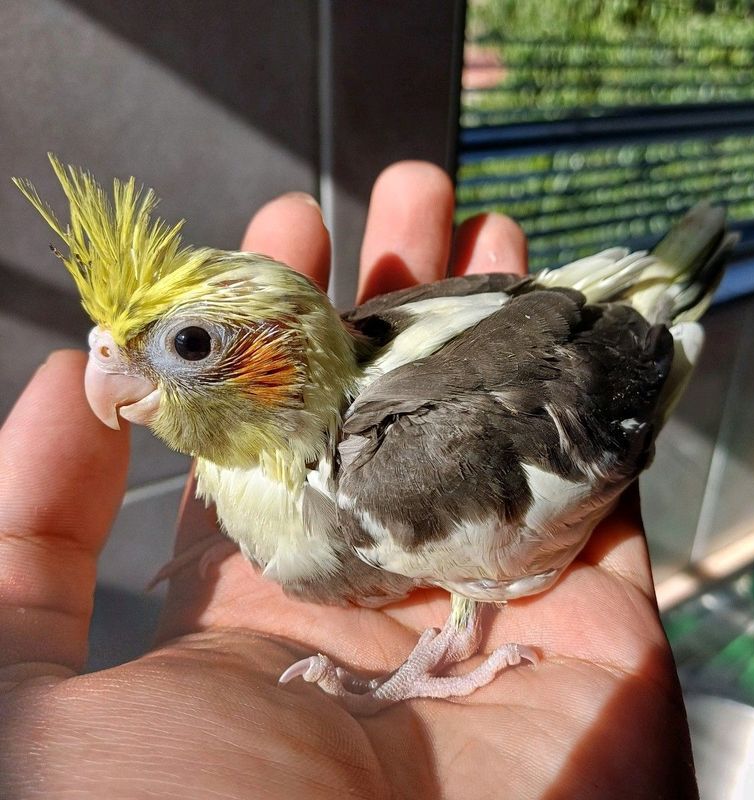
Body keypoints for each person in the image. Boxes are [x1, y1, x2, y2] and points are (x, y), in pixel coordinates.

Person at [0, 161, 698, 798]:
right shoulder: (273, 443)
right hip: (531, 328)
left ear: (293, 354)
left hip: (590, 354)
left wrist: (424, 671)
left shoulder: (383, 481)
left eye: (189, 345)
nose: (114, 373)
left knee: (473, 569)